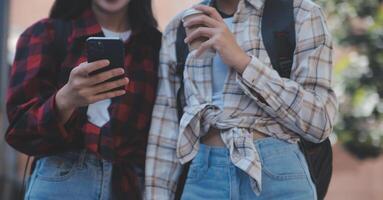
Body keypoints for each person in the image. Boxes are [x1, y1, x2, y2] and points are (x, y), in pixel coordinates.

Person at [145, 0, 337, 199]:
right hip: (203, 175)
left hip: (279, 174)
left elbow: (319, 122)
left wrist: (242, 62)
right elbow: (165, 130)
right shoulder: (180, 27)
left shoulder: (302, 13)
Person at [5, 0, 161, 199]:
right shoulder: (45, 34)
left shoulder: (156, 47)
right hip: (61, 177)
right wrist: (64, 100)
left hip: (127, 185)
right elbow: (19, 130)